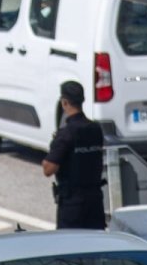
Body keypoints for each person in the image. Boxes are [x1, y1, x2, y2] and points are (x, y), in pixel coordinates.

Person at [42, 80, 106, 229]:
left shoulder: (66, 134)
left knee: (70, 246)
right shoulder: (96, 129)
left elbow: (48, 169)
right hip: (95, 202)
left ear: (64, 103)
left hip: (73, 204)